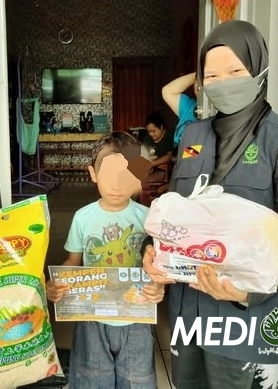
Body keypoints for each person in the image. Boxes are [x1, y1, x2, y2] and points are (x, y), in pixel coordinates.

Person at [141, 20, 278, 389]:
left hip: (247, 317)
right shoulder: (193, 134)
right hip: (188, 311)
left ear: (259, 70)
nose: (223, 82)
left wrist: (247, 293)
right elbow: (174, 213)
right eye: (211, 76)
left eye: (235, 71)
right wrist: (150, 250)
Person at [46, 131, 165, 389]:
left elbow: (158, 266)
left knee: (136, 380)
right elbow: (73, 260)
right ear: (93, 173)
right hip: (92, 316)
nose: (117, 185)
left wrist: (158, 287)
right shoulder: (82, 217)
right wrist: (57, 282)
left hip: (136, 316)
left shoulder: (149, 218)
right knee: (92, 379)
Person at [161, 72, 199, 148]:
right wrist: (198, 73)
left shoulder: (218, 111)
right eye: (197, 81)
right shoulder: (189, 106)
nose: (199, 85)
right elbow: (167, 91)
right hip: (181, 154)